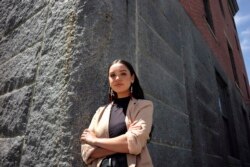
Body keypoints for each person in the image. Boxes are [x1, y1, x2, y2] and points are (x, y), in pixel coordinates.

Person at [80, 59, 154, 167]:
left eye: (123, 73)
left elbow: (135, 143)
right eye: (112, 75)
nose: (117, 78)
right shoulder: (100, 112)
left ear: (132, 78)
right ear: (109, 81)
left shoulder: (144, 106)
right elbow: (87, 151)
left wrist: (95, 140)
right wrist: (124, 143)